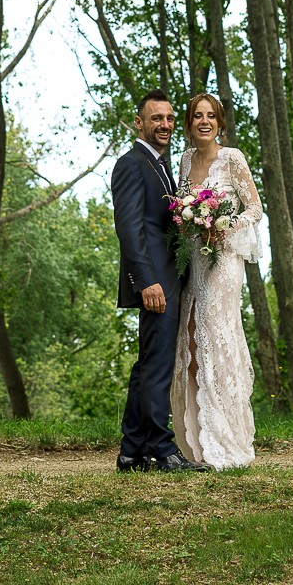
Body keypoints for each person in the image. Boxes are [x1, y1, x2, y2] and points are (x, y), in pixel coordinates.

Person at [110, 90, 205, 472]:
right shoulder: (131, 164)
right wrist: (146, 281)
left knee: (148, 364)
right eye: (156, 118)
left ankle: (132, 451)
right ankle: (162, 450)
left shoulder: (159, 165)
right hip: (155, 284)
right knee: (157, 365)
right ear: (140, 123)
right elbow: (130, 229)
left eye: (168, 118)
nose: (164, 124)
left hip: (168, 279)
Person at [171, 93, 261, 469]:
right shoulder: (185, 159)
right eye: (197, 116)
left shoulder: (233, 158)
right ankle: (195, 441)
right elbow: (178, 206)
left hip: (223, 260)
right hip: (193, 259)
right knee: (191, 335)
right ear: (190, 124)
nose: (204, 122)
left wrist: (225, 225)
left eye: (211, 116)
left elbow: (254, 207)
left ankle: (226, 438)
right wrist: (187, 219)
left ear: (220, 123)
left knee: (216, 334)